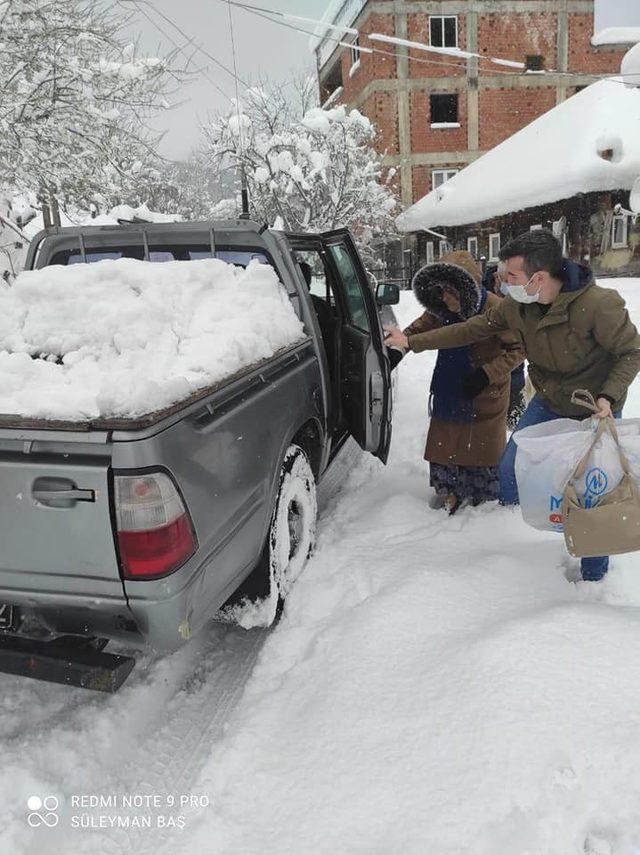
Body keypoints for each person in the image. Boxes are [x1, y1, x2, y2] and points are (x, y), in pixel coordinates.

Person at [384, 230, 640, 582]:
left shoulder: (599, 305)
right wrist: (411, 341)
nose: (503, 282)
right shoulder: (518, 308)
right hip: (549, 402)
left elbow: (631, 351)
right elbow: (470, 330)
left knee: (593, 493)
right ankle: (509, 534)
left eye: (511, 276)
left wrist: (608, 395)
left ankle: (593, 574)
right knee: (510, 467)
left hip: (596, 407)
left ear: (538, 277)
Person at [400, 251, 524, 515]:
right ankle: (449, 491)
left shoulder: (495, 308)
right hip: (450, 385)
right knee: (448, 444)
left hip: (485, 391)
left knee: (479, 450)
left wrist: (487, 373)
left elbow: (518, 349)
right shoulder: (442, 308)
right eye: (441, 291)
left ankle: (479, 497)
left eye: (450, 292)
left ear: (466, 289)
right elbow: (417, 329)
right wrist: (397, 346)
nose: (444, 298)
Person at [482, 261, 527, 429]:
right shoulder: (481, 296)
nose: (512, 285)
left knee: (516, 427)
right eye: (508, 280)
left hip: (514, 374)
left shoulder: (522, 294)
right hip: (486, 376)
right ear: (497, 277)